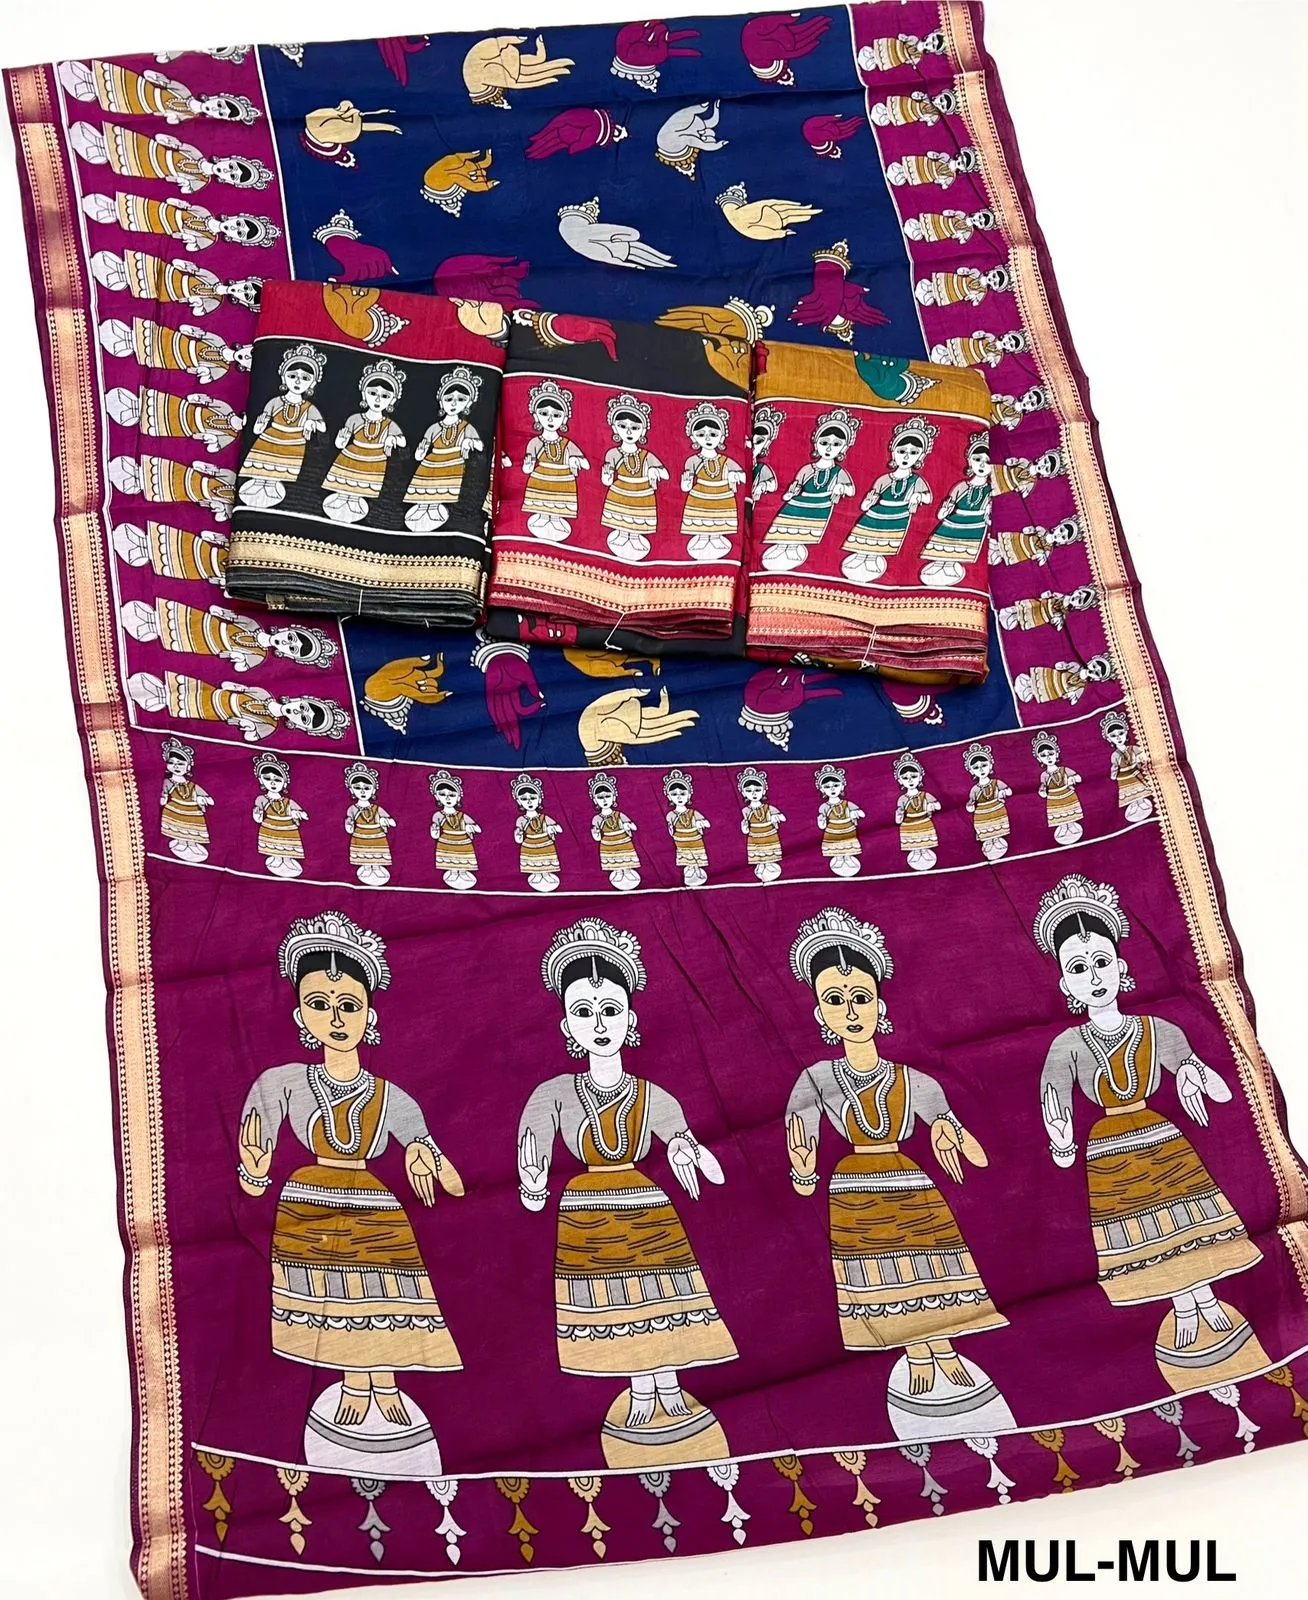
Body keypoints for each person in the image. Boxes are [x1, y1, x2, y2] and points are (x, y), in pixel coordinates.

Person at [517, 918, 737, 1458]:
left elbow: (691, 1148)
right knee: (616, 1306)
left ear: (631, 1019)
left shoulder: (652, 1095)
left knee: (660, 1298)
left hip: (648, 1213)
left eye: (610, 1010)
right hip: (588, 1219)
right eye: (584, 1012)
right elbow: (532, 1155)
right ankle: (641, 1389)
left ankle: (669, 1387)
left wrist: (687, 1152)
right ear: (566, 1024)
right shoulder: (553, 1094)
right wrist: (532, 1181)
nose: (598, 1023)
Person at [237, 913, 464, 1431]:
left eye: (349, 1006)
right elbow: (253, 1163)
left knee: (380, 1294)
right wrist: (254, 1171)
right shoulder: (283, 1082)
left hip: (375, 1211)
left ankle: (385, 1381)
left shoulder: (392, 1097)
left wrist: (425, 1156)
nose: (336, 1018)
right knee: (333, 1299)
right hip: (308, 1207)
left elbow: (453, 1182)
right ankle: (356, 1382)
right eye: (320, 1004)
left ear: (369, 1014)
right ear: (300, 1014)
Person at [1034, 876, 1262, 1349]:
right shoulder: (1066, 1045)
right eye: (1078, 968)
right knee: (1147, 1235)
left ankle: (1205, 1298)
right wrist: (1061, 1140)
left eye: (1101, 962)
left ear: (1120, 966)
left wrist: (1193, 1074)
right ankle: (1184, 1306)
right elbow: (1055, 1109)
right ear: (1065, 983)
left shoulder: (1159, 1029)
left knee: (1186, 1225)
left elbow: (1223, 1092)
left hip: (1163, 1143)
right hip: (1110, 1157)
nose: (1094, 977)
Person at [785, 908, 1006, 1394]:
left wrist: (952, 1135)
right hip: (853, 1194)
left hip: (910, 1186)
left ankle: (943, 1348)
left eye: (861, 998)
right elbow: (800, 1158)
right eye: (835, 1000)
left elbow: (978, 1157)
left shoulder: (914, 1079)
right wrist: (803, 1170)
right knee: (879, 1276)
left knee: (930, 1265)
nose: (850, 1011)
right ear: (820, 1014)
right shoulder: (815, 1080)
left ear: (880, 1006)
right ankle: (917, 1354)